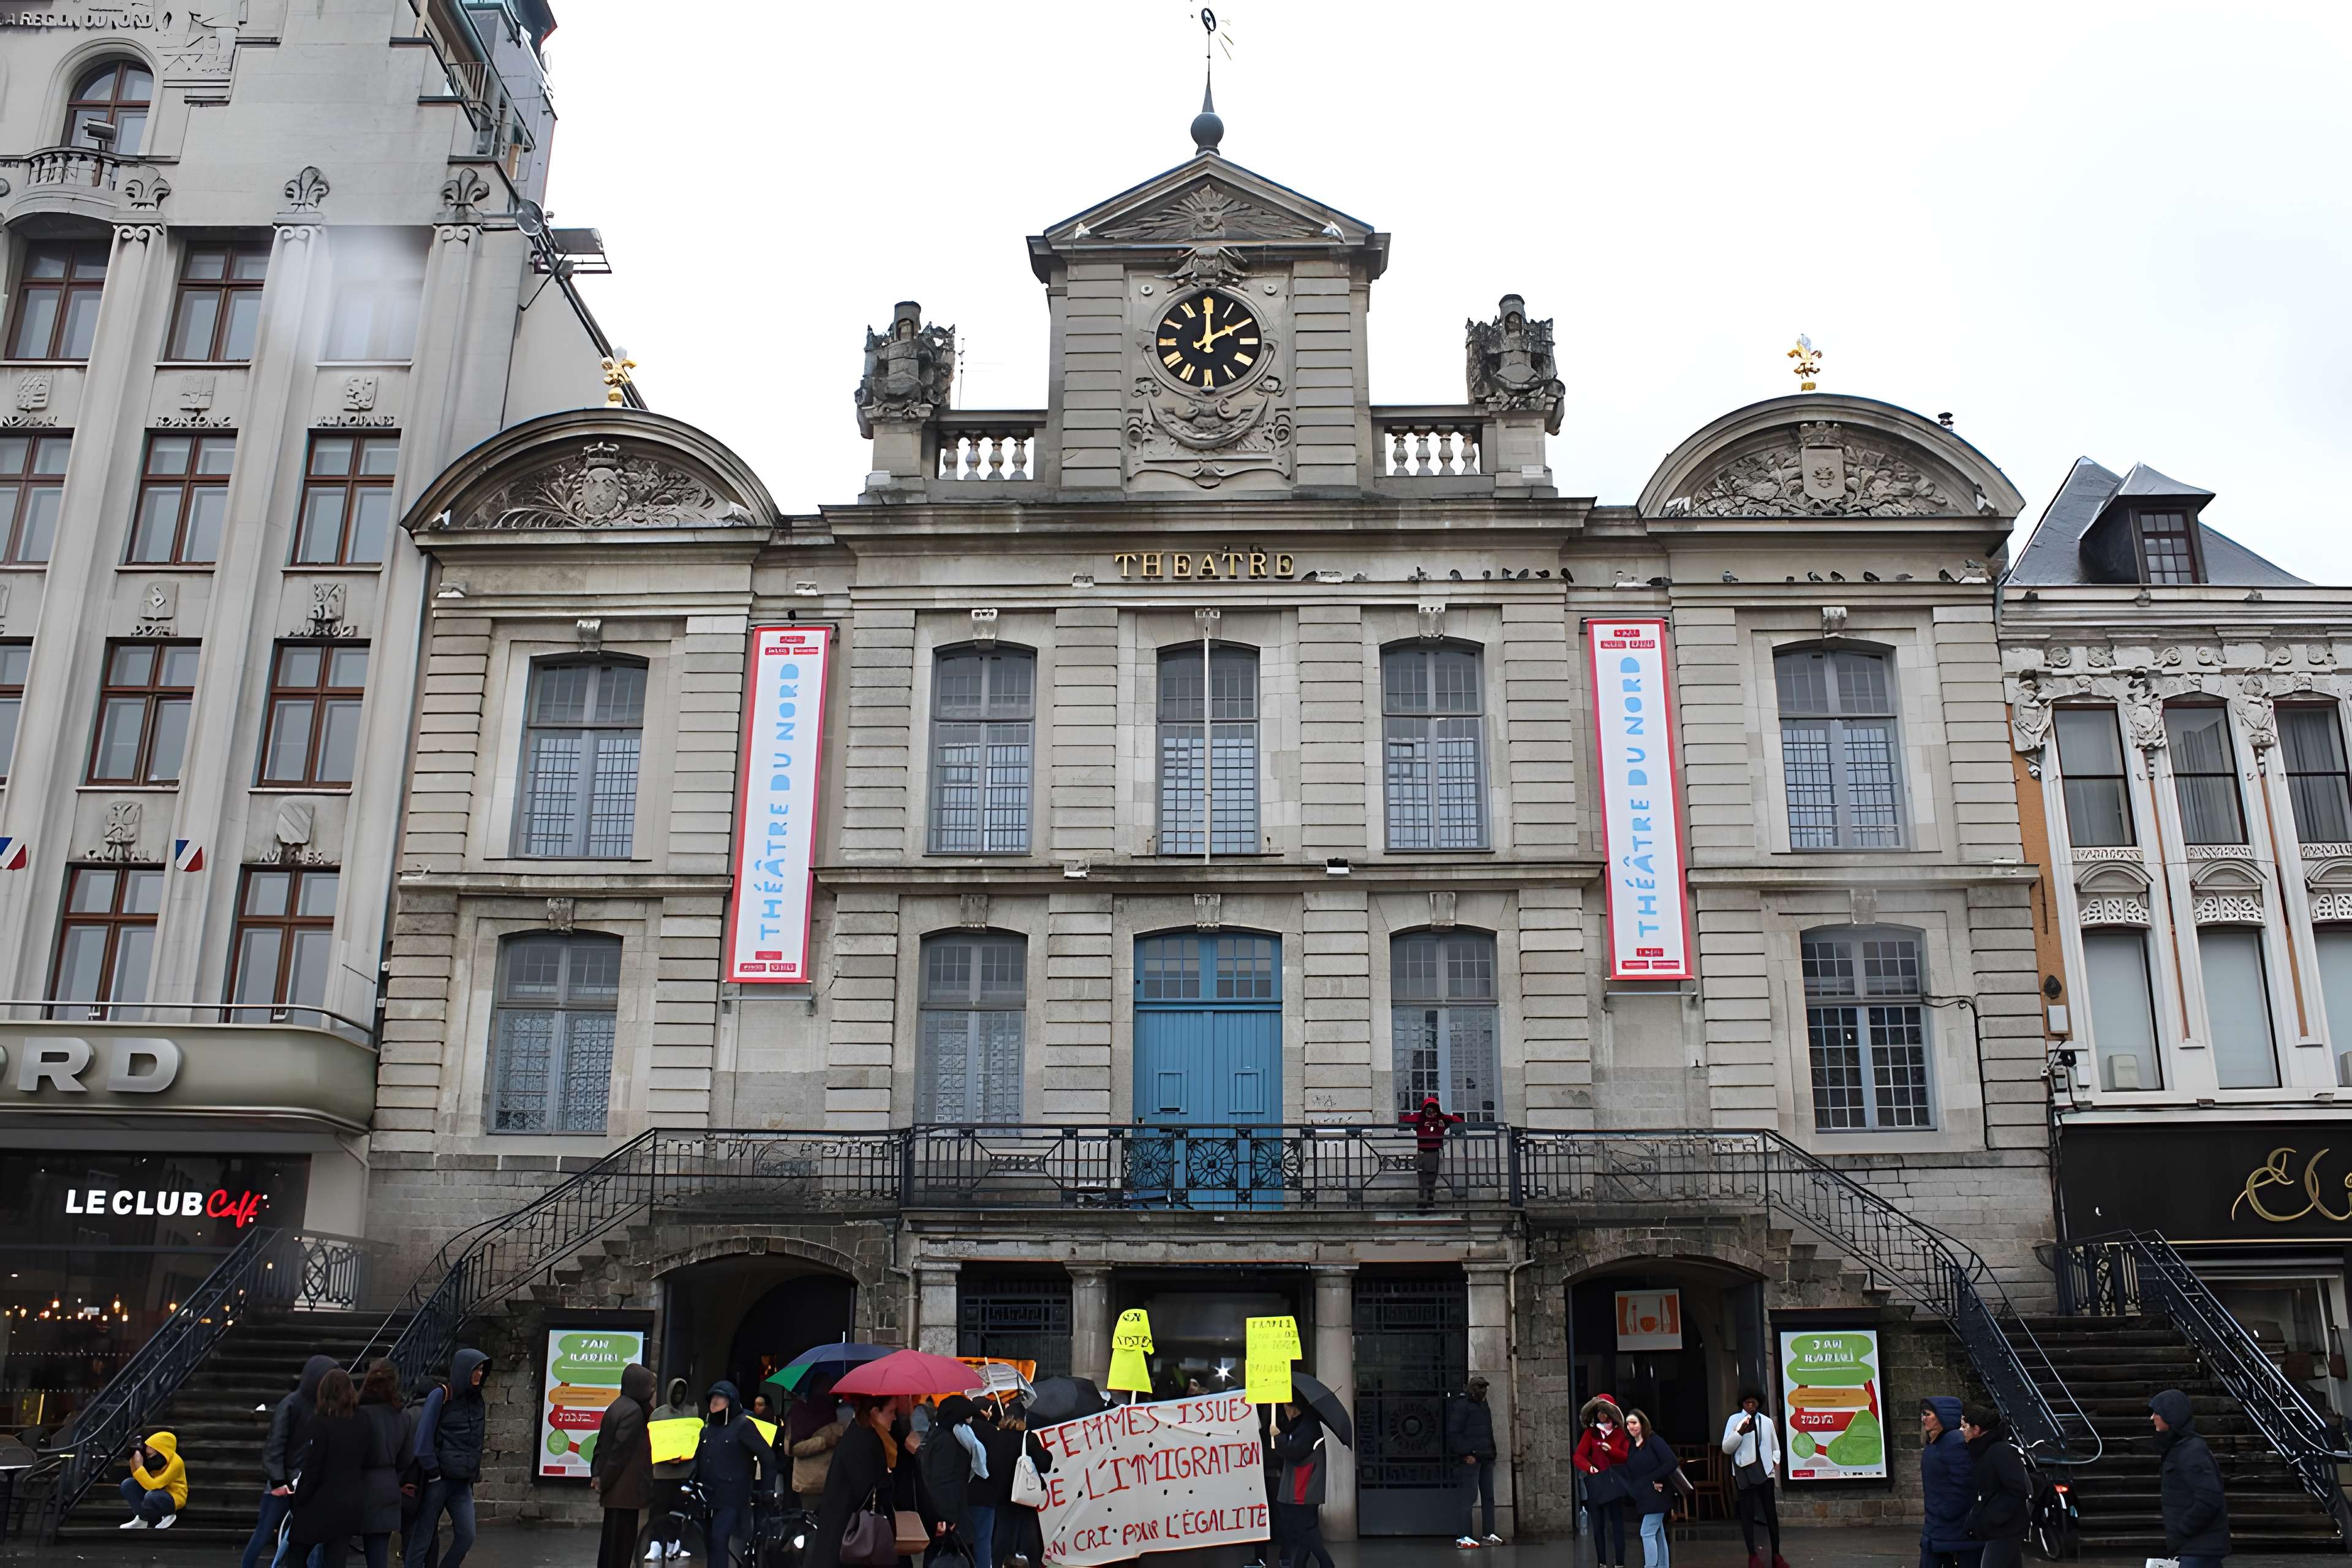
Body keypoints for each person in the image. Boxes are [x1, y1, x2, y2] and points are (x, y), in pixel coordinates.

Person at [246, 1357, 334, 1568]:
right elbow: (275, 1445)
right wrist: (278, 1482)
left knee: (308, 1540)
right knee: (264, 1532)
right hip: (286, 1483)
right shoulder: (292, 1404)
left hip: (304, 1482)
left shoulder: (321, 1407)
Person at [407, 1348, 491, 1568]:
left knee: (467, 1535)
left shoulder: (476, 1400)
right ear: (465, 1370)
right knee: (423, 1537)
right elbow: (423, 1438)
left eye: (483, 1369)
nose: (480, 1374)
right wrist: (433, 1472)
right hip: (439, 1480)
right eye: (476, 1369)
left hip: (462, 1482)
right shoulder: (441, 1395)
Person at [808, 1395, 905, 1568]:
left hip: (842, 1537)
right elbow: (867, 1491)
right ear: (875, 1412)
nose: (895, 1417)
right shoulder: (865, 1442)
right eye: (891, 1411)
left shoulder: (859, 1435)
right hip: (851, 1540)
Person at [288, 1369, 371, 1567]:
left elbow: (313, 1469)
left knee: (297, 1555)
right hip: (350, 1502)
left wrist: (298, 1498)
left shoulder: (322, 1422)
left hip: (320, 1502)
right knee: (336, 1558)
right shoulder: (362, 1420)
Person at [695, 1380, 781, 1568]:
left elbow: (768, 1458)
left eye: (721, 1398)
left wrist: (767, 1490)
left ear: (731, 1401)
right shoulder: (708, 1428)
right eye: (713, 1398)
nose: (715, 1402)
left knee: (719, 1538)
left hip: (733, 1496)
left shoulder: (743, 1425)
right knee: (710, 1541)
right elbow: (699, 1458)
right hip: (708, 1495)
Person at [2149, 1389, 2230, 1568]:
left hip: (2199, 1548)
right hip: (2194, 1547)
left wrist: (2183, 1529)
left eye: (2157, 1413)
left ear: (2170, 1416)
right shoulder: (2180, 1448)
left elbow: (2209, 1498)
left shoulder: (2192, 1451)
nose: (2152, 1417)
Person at [594, 1365, 657, 1568]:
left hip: (618, 1493)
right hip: (625, 1492)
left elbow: (602, 1445)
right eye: (650, 1386)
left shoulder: (620, 1405)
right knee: (621, 1546)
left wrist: (597, 1474)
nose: (653, 1391)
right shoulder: (633, 1412)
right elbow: (618, 1454)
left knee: (612, 1544)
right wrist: (605, 1481)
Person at [356, 1361, 413, 1568]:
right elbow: (407, 1458)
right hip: (387, 1487)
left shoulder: (358, 1412)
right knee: (378, 1556)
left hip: (356, 1486)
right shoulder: (402, 1416)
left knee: (335, 1551)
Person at [919, 1394, 987, 1567]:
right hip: (950, 1520)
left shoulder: (939, 1436)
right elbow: (944, 1483)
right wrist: (948, 1519)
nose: (969, 1422)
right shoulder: (947, 1441)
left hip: (946, 1518)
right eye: (966, 1418)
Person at [1720, 1390, 1785, 1568]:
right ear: (1742, 1404)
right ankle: (1752, 1556)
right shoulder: (1734, 1420)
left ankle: (1776, 1556)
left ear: (1758, 1404)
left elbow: (1775, 1446)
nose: (1750, 1406)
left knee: (1770, 1514)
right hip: (1744, 1473)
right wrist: (1739, 1433)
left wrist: (1774, 1462)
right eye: (1747, 1403)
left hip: (1765, 1473)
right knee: (1747, 1514)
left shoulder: (1767, 1422)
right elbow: (1726, 1448)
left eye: (1754, 1403)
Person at [1959, 1406, 2028, 1568]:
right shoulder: (1983, 1450)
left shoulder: (1999, 1451)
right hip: (2002, 1526)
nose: (1960, 1430)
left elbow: (2017, 1489)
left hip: (2006, 1527)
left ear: (1976, 1429)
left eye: (1964, 1426)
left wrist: (1993, 1518)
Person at [983, 1408, 1050, 1568]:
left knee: (1001, 1543)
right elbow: (1045, 1464)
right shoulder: (1028, 1438)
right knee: (1029, 1545)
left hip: (1000, 1498)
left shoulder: (993, 1438)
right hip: (1024, 1497)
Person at [1270, 1403, 1333, 1568]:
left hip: (1305, 1484)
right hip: (1305, 1483)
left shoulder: (1308, 1425)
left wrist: (1278, 1437)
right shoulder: (1305, 1423)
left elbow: (1296, 1450)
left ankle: (1326, 1563)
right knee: (1306, 1525)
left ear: (1294, 1408)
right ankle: (1299, 1564)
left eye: (1286, 1407)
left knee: (1304, 1526)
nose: (1284, 1411)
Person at [647, 1376, 703, 1561]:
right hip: (663, 1472)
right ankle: (655, 1544)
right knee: (658, 1510)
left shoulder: (692, 1411)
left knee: (679, 1510)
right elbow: (655, 1441)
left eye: (682, 1392)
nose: (679, 1396)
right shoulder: (658, 1414)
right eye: (676, 1392)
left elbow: (694, 1439)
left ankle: (674, 1544)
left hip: (684, 1471)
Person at [1919, 1397, 1978, 1568]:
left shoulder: (1954, 1441)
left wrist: (1945, 1510)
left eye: (1927, 1414)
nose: (1923, 1419)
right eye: (1923, 1414)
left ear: (1943, 1416)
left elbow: (1964, 1482)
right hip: (1936, 1525)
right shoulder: (1935, 1442)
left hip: (1952, 1528)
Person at [1575, 1395, 1631, 1568]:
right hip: (1597, 1482)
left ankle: (1620, 1563)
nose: (1601, 1415)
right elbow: (1578, 1456)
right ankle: (1602, 1563)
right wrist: (1589, 1467)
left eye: (1604, 1411)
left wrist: (1611, 1451)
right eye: (1598, 1411)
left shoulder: (1621, 1433)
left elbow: (1626, 1457)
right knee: (1598, 1526)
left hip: (1614, 1482)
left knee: (1617, 1525)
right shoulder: (1590, 1433)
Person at [1447, 1375, 1501, 1547]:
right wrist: (1466, 1454)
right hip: (1471, 1459)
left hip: (1486, 1457)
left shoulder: (1483, 1405)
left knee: (1489, 1497)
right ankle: (1464, 1536)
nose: (1484, 1391)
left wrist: (1492, 1453)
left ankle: (1489, 1534)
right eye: (1480, 1387)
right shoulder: (1462, 1406)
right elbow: (1454, 1434)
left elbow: (1488, 1431)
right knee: (1468, 1498)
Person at [1621, 1410, 1678, 1568]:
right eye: (1628, 1423)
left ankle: (1651, 1566)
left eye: (1634, 1422)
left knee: (1646, 1532)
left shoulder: (1654, 1440)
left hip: (1659, 1495)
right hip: (1646, 1497)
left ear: (1642, 1423)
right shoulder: (1633, 1447)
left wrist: (1656, 1478)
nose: (1631, 1426)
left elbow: (1672, 1462)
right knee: (1658, 1533)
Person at [790, 1387, 850, 1516]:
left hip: (828, 1481)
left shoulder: (838, 1414)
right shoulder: (800, 1413)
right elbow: (794, 1448)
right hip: (809, 1483)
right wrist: (824, 1441)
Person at [1400, 1095, 1464, 1208]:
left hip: (1433, 1151)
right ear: (1425, 1109)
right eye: (1429, 1110)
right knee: (1423, 1178)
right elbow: (1404, 1119)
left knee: (1431, 1178)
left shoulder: (1441, 1119)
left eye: (1434, 1110)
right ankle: (1424, 1201)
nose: (1431, 1113)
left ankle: (1429, 1201)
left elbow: (1458, 1120)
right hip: (1423, 1151)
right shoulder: (1421, 1118)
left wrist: (1443, 1117)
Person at [118, 1431, 186, 1529]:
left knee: (152, 1495)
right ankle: (143, 1519)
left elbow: (154, 1485)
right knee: (128, 1484)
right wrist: (134, 1458)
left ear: (161, 1448)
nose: (146, 1449)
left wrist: (139, 1466)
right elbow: (139, 1478)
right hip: (153, 1492)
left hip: (172, 1496)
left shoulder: (176, 1462)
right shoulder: (153, 1458)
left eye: (151, 1447)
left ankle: (169, 1514)